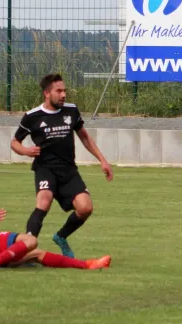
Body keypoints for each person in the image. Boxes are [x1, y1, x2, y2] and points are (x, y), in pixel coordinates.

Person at [10, 73, 113, 258]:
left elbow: (84, 136)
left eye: (65, 90)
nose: (64, 94)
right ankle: (26, 248)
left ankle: (61, 236)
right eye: (59, 91)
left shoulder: (71, 111)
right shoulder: (33, 116)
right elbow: (14, 142)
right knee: (44, 201)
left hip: (68, 170)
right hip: (45, 169)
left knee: (85, 208)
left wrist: (102, 160)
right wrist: (26, 151)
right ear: (47, 93)